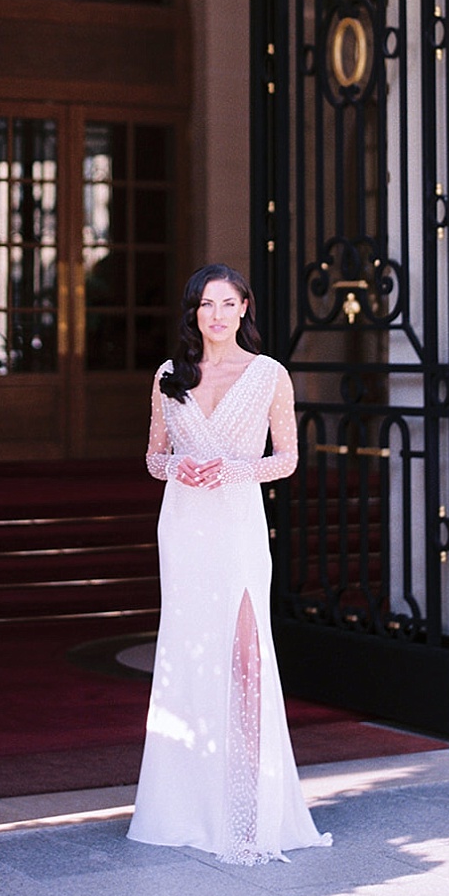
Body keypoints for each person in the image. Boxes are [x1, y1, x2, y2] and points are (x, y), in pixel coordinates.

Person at [127, 263, 332, 864]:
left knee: (246, 658)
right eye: (204, 305)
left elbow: (288, 458)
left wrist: (235, 469)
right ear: (194, 312)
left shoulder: (269, 374)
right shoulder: (170, 375)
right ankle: (184, 807)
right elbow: (152, 457)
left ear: (244, 309)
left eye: (227, 303)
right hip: (184, 526)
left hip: (239, 526)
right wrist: (178, 468)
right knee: (188, 656)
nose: (216, 315)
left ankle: (248, 811)